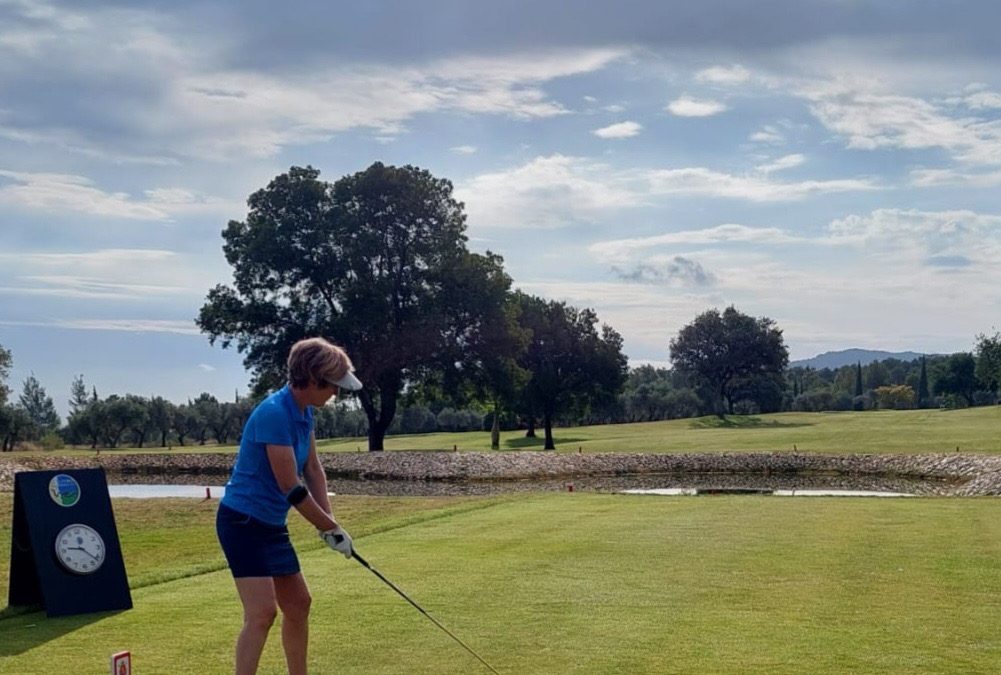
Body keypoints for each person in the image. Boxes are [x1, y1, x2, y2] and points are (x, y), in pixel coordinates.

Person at [216, 337, 363, 675]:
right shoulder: (274, 413)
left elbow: (312, 468)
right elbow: (291, 488)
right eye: (333, 385)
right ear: (313, 378)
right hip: (242, 523)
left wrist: (331, 523)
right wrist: (328, 528)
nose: (336, 393)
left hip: (270, 525)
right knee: (262, 613)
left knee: (298, 604)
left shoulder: (304, 413)